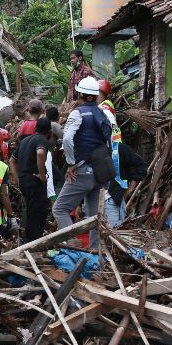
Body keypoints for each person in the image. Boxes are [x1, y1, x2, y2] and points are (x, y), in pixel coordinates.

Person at [53, 77, 112, 248]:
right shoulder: (103, 113)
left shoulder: (77, 113)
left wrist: (72, 163)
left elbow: (67, 140)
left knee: (59, 209)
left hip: (83, 171)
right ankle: (96, 253)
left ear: (81, 94)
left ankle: (73, 245)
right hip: (100, 173)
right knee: (95, 217)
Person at [10, 118, 52, 242]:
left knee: (30, 211)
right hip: (34, 181)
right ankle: (34, 243)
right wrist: (42, 175)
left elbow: (12, 160)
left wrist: (17, 179)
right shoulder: (41, 139)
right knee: (38, 213)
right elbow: (40, 153)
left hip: (24, 181)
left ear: (35, 128)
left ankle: (27, 239)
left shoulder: (25, 141)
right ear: (49, 132)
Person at [105, 142, 149, 227]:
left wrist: (132, 185)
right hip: (93, 201)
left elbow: (142, 166)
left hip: (112, 199)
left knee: (112, 232)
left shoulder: (119, 148)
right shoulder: (89, 149)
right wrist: (80, 204)